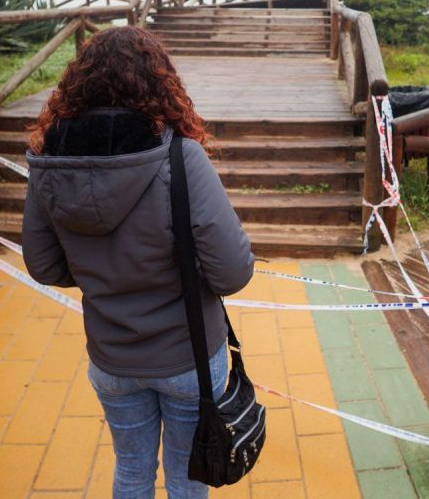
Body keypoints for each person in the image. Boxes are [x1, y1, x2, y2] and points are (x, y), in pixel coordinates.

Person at [21, 25, 254, 499]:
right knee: (188, 478)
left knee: (131, 470)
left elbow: (45, 266)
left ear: (77, 83)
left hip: (111, 356)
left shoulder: (49, 160)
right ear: (159, 82)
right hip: (188, 353)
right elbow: (233, 271)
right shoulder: (181, 157)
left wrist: (99, 272)